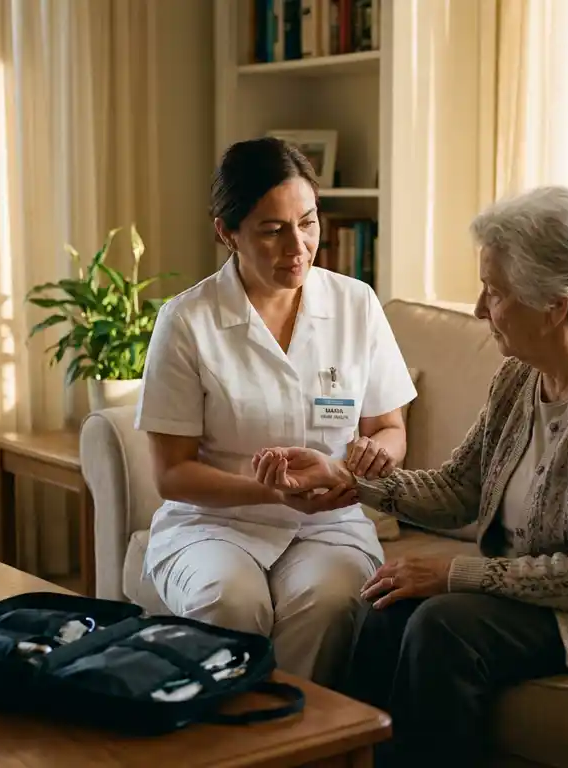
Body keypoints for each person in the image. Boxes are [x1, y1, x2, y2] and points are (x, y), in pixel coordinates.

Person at [252, 186, 568, 766]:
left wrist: (455, 574)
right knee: (386, 601)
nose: (477, 309)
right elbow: (458, 489)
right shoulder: (522, 376)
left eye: (494, 292)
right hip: (546, 588)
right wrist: (347, 476)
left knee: (444, 625)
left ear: (556, 306)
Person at [135, 137, 417, 687]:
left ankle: (300, 731)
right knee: (230, 600)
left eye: (307, 223)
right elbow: (172, 474)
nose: (298, 246)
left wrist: (370, 458)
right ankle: (228, 728)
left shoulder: (356, 304)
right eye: (272, 230)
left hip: (329, 525)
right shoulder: (187, 320)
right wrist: (271, 493)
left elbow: (390, 428)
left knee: (330, 601)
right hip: (214, 525)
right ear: (227, 232)